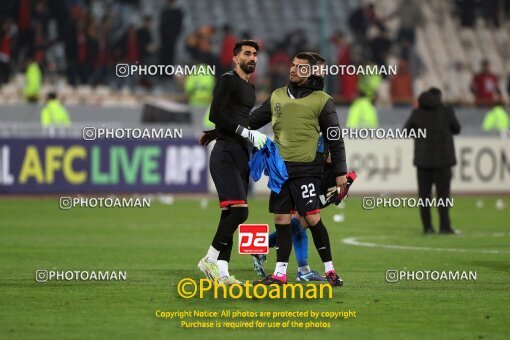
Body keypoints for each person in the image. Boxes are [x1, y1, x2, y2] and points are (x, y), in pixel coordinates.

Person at [248, 52, 348, 286]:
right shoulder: (277, 96)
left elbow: (336, 138)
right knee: (282, 219)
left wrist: (341, 172)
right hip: (280, 170)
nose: (293, 70)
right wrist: (228, 119)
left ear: (311, 72)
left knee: (312, 218)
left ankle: (330, 270)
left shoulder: (323, 100)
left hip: (307, 170)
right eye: (293, 66)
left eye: (301, 68)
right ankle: (280, 274)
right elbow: (251, 121)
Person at [197, 40, 268, 285]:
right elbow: (215, 113)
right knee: (241, 211)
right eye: (247, 53)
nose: (252, 58)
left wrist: (219, 132)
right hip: (226, 154)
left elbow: (233, 119)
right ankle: (209, 259)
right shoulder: (227, 80)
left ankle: (223, 273)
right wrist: (246, 133)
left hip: (240, 154)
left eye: (255, 54)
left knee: (229, 213)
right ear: (235, 58)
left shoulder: (250, 88)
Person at [403, 88, 461, 234]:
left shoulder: (417, 113)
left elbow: (406, 131)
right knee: (443, 196)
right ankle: (444, 226)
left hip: (423, 161)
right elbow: (457, 129)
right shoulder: (447, 112)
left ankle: (427, 227)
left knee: (424, 197)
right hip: (443, 161)